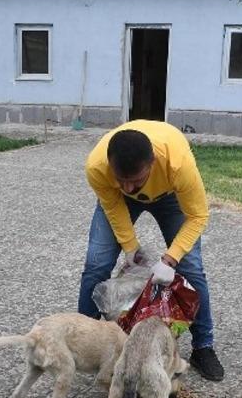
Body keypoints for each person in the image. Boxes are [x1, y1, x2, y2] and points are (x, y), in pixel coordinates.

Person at [76, 120, 224, 381]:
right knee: (96, 264)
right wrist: (131, 248)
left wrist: (170, 259)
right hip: (119, 203)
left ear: (153, 162)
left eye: (135, 180)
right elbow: (114, 206)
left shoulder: (178, 164)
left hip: (169, 195)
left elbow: (198, 216)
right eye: (121, 180)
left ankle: (203, 346)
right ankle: (84, 341)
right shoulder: (97, 167)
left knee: (191, 267)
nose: (129, 188)